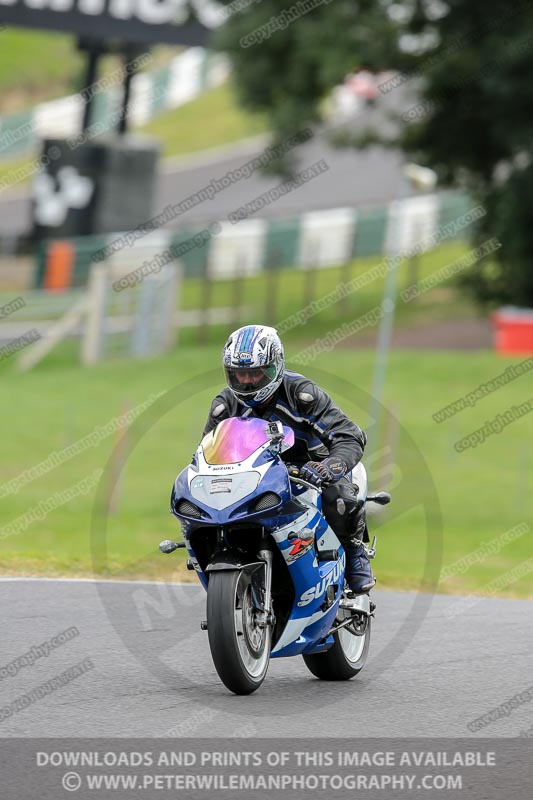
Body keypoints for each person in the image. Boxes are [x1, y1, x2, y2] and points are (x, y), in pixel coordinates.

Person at [202, 324, 376, 595]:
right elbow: (206, 450)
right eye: (240, 373)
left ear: (275, 366)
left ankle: (354, 553)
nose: (247, 381)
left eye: (256, 373)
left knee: (340, 498)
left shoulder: (302, 395)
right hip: (255, 477)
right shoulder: (226, 405)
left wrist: (328, 467)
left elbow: (349, 435)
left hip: (309, 471)